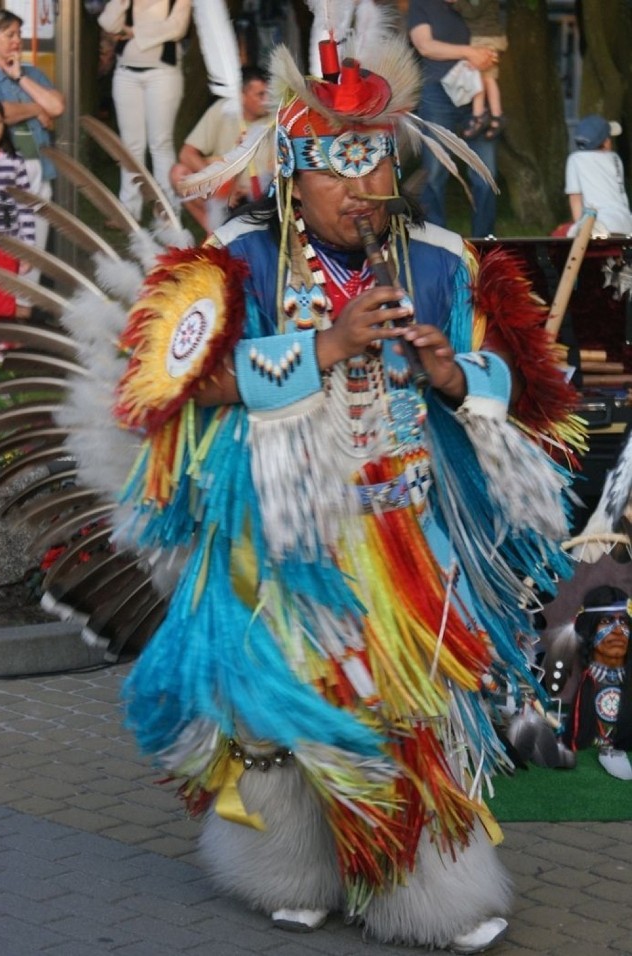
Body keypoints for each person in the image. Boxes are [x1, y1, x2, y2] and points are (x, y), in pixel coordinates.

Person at [112, 22, 582, 955]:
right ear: (294, 175)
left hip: (408, 531)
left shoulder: (444, 259)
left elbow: (528, 390)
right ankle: (286, 866)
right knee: (286, 713)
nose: (364, 190)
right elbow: (166, 385)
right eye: (337, 169)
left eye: (376, 168)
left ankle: (430, 891)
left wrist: (454, 376)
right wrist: (322, 348)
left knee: (417, 706)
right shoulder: (234, 262)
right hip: (282, 533)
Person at [408, 0, 499, 236]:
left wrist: (488, 55)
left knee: (486, 172)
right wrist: (469, 52)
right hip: (437, 93)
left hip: (475, 93)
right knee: (435, 172)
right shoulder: (422, 5)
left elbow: (490, 39)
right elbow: (425, 46)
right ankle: (438, 241)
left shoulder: (476, 6)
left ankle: (484, 241)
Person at [98, 0, 192, 221]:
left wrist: (133, 32)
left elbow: (176, 28)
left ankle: (166, 209)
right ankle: (128, 209)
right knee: (130, 146)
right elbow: (108, 23)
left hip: (163, 74)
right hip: (126, 74)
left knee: (160, 142)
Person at [0, 8, 64, 285]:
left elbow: (56, 106)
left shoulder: (31, 72)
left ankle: (25, 311)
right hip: (4, 169)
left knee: (34, 243)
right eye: (9, 34)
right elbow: (2, 113)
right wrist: (36, 109)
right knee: (4, 242)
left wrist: (21, 77)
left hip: (39, 167)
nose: (16, 39)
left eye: (19, 33)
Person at [169, 65, 271, 234]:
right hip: (223, 190)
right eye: (260, 94)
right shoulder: (223, 109)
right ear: (241, 96)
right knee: (179, 173)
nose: (267, 99)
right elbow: (186, 153)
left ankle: (221, 237)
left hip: (260, 193)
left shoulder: (275, 116)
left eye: (269, 94)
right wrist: (217, 181)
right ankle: (213, 234)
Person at [562, 586, 632, 780]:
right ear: (589, 629)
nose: (618, 630)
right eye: (606, 621)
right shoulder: (576, 683)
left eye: (625, 622)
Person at [0, 95, 35, 319]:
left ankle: (0, 351)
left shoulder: (14, 161)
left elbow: (25, 206)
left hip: (7, 244)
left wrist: (26, 249)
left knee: (3, 301)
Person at [561, 115, 632, 239]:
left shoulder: (575, 160)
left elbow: (575, 198)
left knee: (561, 234)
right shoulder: (615, 158)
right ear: (606, 142)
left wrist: (579, 227)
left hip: (597, 224)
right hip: (626, 222)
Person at [452, 0, 507, 140]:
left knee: (477, 76)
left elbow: (472, 12)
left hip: (484, 38)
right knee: (489, 78)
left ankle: (479, 115)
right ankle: (496, 115)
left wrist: (456, 3)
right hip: (492, 36)